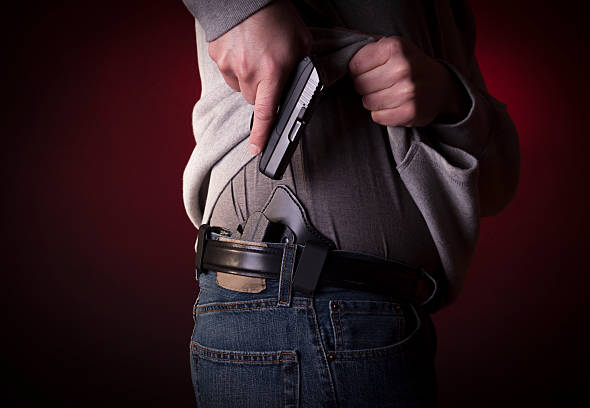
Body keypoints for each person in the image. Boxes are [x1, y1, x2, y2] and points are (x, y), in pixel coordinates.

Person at [181, 0, 520, 406]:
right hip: (294, 300)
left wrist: (448, 97)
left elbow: (496, 185)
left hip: (384, 316)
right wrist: (238, 10)